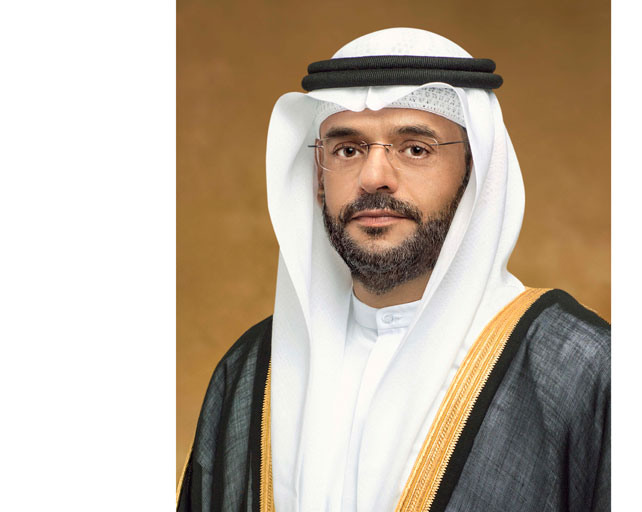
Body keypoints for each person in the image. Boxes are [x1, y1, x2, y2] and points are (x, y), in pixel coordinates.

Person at [178, 28, 610, 512]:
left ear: (476, 172)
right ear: (318, 177)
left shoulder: (578, 370)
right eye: (348, 150)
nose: (373, 177)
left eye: (415, 149)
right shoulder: (252, 370)